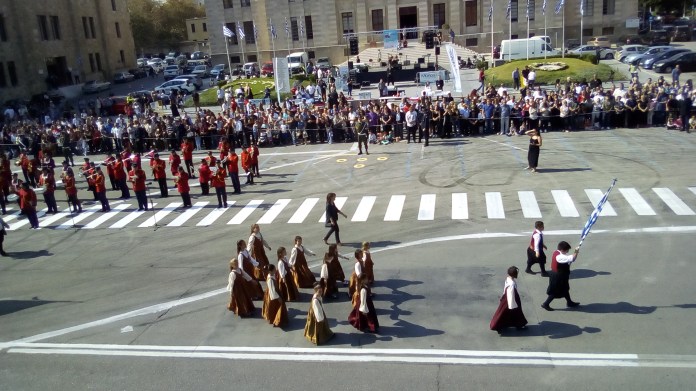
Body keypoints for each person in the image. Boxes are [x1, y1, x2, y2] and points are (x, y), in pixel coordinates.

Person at [541, 241, 581, 311]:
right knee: (555, 291)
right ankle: (545, 304)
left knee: (565, 289)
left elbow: (568, 259)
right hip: (558, 277)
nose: (568, 251)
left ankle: (569, 302)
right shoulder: (560, 257)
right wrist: (576, 251)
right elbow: (573, 258)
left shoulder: (556, 252)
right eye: (567, 250)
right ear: (563, 250)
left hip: (558, 275)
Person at [489, 266, 528, 333]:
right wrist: (511, 305)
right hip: (511, 300)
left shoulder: (508, 279)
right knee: (508, 313)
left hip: (507, 299)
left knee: (505, 312)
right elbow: (510, 294)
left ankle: (517, 324)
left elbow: (505, 289)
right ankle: (500, 326)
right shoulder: (512, 284)